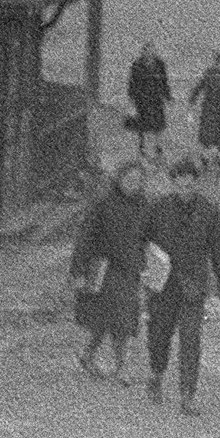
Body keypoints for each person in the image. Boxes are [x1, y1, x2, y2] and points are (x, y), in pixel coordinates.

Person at [140, 154, 220, 415]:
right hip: (163, 284)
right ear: (173, 183)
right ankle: (157, 375)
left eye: (190, 184)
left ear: (196, 183)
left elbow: (217, 248)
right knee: (159, 335)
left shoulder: (208, 211)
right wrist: (144, 268)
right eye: (180, 184)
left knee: (191, 339)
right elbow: (141, 241)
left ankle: (187, 395)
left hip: (193, 284)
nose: (185, 189)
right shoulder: (157, 208)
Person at [68, 160, 149, 382]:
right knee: (111, 319)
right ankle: (121, 367)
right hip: (106, 270)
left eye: (138, 180)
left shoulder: (144, 206)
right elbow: (85, 239)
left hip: (130, 270)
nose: (133, 184)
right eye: (129, 180)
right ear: (119, 180)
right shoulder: (103, 205)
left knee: (119, 319)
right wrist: (78, 271)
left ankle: (89, 355)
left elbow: (149, 239)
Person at [125, 43, 172, 159]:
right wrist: (131, 97)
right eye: (148, 51)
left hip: (156, 98)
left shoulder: (160, 65)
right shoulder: (137, 65)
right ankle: (142, 147)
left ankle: (158, 147)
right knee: (142, 123)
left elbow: (164, 81)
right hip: (142, 99)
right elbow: (132, 82)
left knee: (158, 124)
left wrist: (168, 96)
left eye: (153, 51)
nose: (151, 53)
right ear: (144, 52)